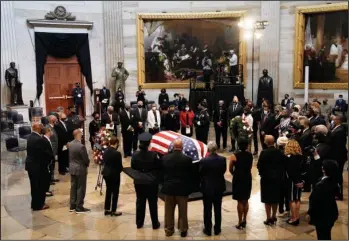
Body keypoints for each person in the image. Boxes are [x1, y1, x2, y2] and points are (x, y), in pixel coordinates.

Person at [161, 139, 193, 237]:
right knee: (183, 211)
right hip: (182, 189)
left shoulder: (165, 158)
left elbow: (162, 173)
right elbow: (190, 175)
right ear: (182, 147)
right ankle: (183, 230)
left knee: (168, 211)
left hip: (169, 188)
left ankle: (169, 229)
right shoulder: (187, 159)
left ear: (174, 147)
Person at [131, 132, 161, 229]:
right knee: (153, 203)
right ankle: (155, 224)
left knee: (140, 202)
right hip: (151, 182)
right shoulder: (154, 155)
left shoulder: (135, 155)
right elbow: (158, 166)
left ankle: (139, 223)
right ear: (149, 143)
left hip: (139, 181)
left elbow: (133, 166)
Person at [307, 160, 339, 240]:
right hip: (331, 213)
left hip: (322, 216)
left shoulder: (320, 185)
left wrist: (309, 213)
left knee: (322, 236)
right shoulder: (334, 182)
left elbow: (314, 201)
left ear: (324, 169)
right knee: (327, 235)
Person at [199, 141, 226, 236]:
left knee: (207, 209)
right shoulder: (222, 159)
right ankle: (217, 229)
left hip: (207, 187)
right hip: (219, 186)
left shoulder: (203, 161)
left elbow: (201, 173)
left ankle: (208, 229)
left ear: (208, 149)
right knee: (218, 209)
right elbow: (223, 171)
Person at [257, 135, 285, 225]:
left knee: (267, 199)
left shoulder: (264, 152)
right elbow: (283, 165)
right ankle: (274, 216)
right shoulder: (279, 152)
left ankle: (268, 217)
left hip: (266, 179)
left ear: (266, 142)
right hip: (277, 178)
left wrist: (262, 173)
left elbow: (259, 165)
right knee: (275, 198)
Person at [229, 138, 253, 229]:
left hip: (238, 178)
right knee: (246, 200)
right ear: (247, 145)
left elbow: (230, 168)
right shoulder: (250, 155)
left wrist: (234, 174)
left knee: (240, 200)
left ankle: (239, 222)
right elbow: (250, 167)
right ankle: (245, 220)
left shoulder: (234, 155)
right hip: (247, 177)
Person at [25, 123, 49, 211]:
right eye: (42, 128)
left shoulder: (30, 136)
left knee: (34, 186)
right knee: (39, 186)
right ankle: (39, 205)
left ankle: (34, 204)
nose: (43, 129)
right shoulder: (39, 139)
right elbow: (42, 155)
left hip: (30, 165)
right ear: (39, 129)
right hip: (37, 166)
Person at [69, 129, 90, 213]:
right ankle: (79, 206)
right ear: (77, 134)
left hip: (72, 168)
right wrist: (88, 163)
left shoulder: (70, 144)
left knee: (73, 187)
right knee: (81, 188)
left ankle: (72, 205)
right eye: (81, 134)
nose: (81, 135)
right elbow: (85, 159)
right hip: (80, 169)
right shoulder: (81, 146)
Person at [284, 140, 304, 226]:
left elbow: (290, 172)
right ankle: (297, 217)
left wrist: (295, 182)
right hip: (299, 180)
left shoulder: (289, 158)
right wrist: (301, 181)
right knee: (297, 199)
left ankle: (294, 218)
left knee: (291, 200)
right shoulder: (301, 157)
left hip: (292, 181)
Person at [102, 136, 123, 216]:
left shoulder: (106, 151)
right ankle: (113, 210)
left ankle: (107, 209)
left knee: (108, 191)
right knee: (115, 192)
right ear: (116, 143)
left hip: (106, 174)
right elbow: (119, 166)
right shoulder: (117, 153)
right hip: (114, 175)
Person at [328, 115, 347, 200]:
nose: (333, 120)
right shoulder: (337, 128)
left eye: (335, 119)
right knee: (336, 175)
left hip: (338, 157)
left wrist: (335, 158)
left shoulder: (340, 130)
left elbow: (338, 146)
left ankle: (339, 194)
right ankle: (336, 192)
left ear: (339, 120)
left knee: (338, 175)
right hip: (337, 156)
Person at [276, 136, 290, 217]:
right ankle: (287, 209)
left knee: (281, 194)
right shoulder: (289, 152)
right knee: (286, 193)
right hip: (287, 176)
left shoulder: (278, 153)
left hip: (280, 175)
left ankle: (281, 210)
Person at [42, 127, 55, 198]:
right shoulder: (44, 140)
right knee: (46, 177)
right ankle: (45, 190)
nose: (51, 132)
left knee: (49, 176)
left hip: (50, 160)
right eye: (50, 131)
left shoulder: (47, 139)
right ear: (47, 132)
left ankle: (47, 189)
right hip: (47, 162)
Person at [46, 115, 59, 184]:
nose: (56, 120)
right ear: (51, 120)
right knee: (50, 165)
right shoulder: (48, 128)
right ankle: (49, 179)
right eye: (55, 119)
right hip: (51, 149)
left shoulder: (53, 127)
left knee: (53, 164)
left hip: (54, 149)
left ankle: (52, 177)